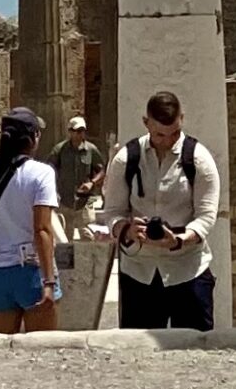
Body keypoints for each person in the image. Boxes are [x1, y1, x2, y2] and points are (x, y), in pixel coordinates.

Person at [94, 89, 223, 331]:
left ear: (181, 119)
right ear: (146, 123)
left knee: (195, 349)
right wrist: (128, 230)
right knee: (139, 352)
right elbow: (113, 211)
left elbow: (206, 216)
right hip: (139, 272)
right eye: (160, 134)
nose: (168, 141)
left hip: (188, 269)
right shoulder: (126, 159)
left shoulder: (199, 159)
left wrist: (179, 240)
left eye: (174, 133)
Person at [0, 107, 62, 334]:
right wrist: (48, 282)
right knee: (41, 352)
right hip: (30, 271)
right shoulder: (41, 173)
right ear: (33, 138)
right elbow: (42, 229)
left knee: (1, 350)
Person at [52, 115, 106, 238]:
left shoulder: (91, 150)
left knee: (87, 235)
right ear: (70, 132)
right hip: (65, 201)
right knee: (65, 238)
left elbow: (102, 170)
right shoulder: (60, 150)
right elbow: (50, 169)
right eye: (77, 131)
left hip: (85, 202)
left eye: (82, 131)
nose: (80, 134)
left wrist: (92, 182)